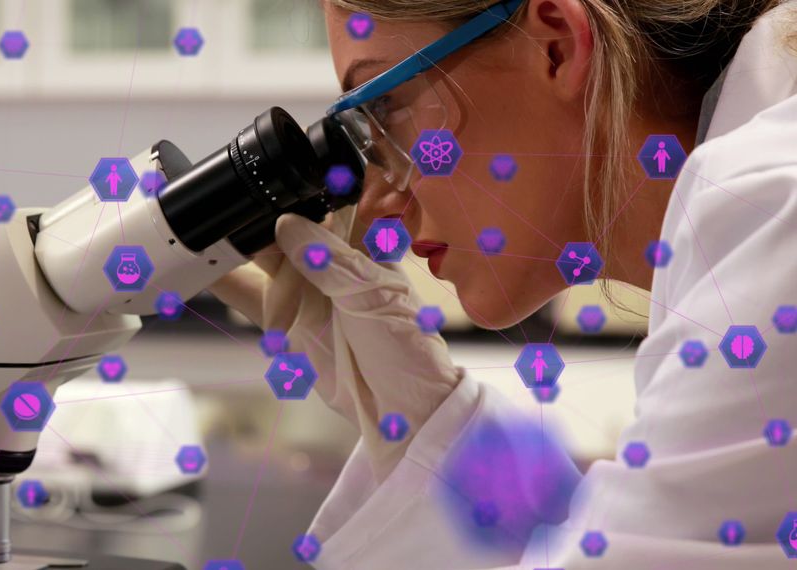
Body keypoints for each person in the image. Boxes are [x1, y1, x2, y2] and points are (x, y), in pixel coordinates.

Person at [211, 0, 797, 567]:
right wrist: (430, 424)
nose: (375, 202)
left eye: (384, 110)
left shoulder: (774, 211)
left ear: (555, 46)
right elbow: (626, 541)